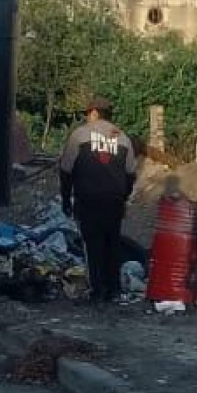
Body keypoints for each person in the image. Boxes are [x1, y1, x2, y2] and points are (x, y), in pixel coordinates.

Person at [59, 97, 137, 302]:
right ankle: (114, 289)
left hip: (88, 199)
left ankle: (98, 289)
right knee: (112, 243)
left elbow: (66, 169)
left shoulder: (80, 134)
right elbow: (130, 174)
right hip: (114, 201)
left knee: (92, 245)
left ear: (93, 112)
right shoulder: (123, 138)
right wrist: (123, 198)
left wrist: (66, 199)